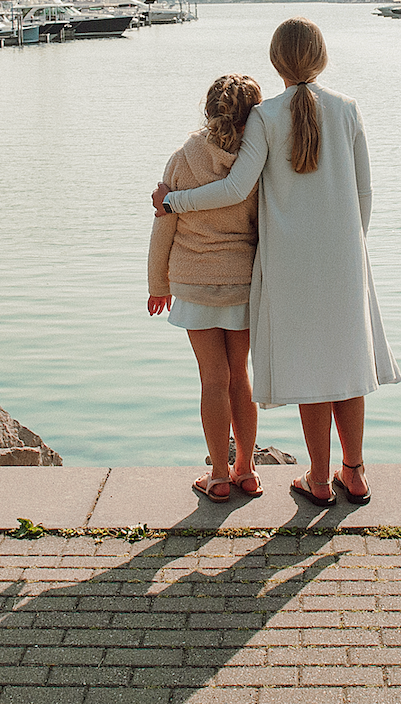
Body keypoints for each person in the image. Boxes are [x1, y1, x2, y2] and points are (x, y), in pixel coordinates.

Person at [152, 17, 401, 507]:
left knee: (312, 369)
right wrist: (353, 247)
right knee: (349, 367)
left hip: (289, 266)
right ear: (322, 56)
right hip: (345, 261)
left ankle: (319, 478)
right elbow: (365, 193)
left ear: (275, 62)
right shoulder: (347, 109)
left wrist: (173, 203)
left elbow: (236, 188)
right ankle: (354, 475)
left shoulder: (265, 117)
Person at [148, 73, 265, 501]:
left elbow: (164, 225)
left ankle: (217, 475)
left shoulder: (183, 158)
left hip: (194, 282)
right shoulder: (255, 163)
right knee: (240, 378)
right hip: (240, 281)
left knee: (212, 380)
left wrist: (158, 283)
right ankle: (247, 470)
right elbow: (263, 224)